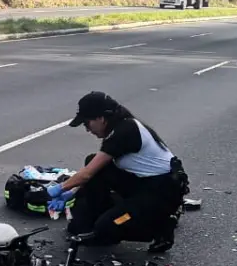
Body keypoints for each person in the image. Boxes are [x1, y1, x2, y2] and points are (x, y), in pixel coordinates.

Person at [46, 91, 189, 254]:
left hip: (161, 193)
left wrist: (58, 189)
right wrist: (71, 192)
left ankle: (161, 227)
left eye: (87, 123)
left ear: (101, 118)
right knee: (93, 162)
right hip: (144, 184)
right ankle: (99, 217)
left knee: (106, 227)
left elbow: (86, 174)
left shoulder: (125, 131)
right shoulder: (120, 127)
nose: (87, 129)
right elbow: (94, 170)